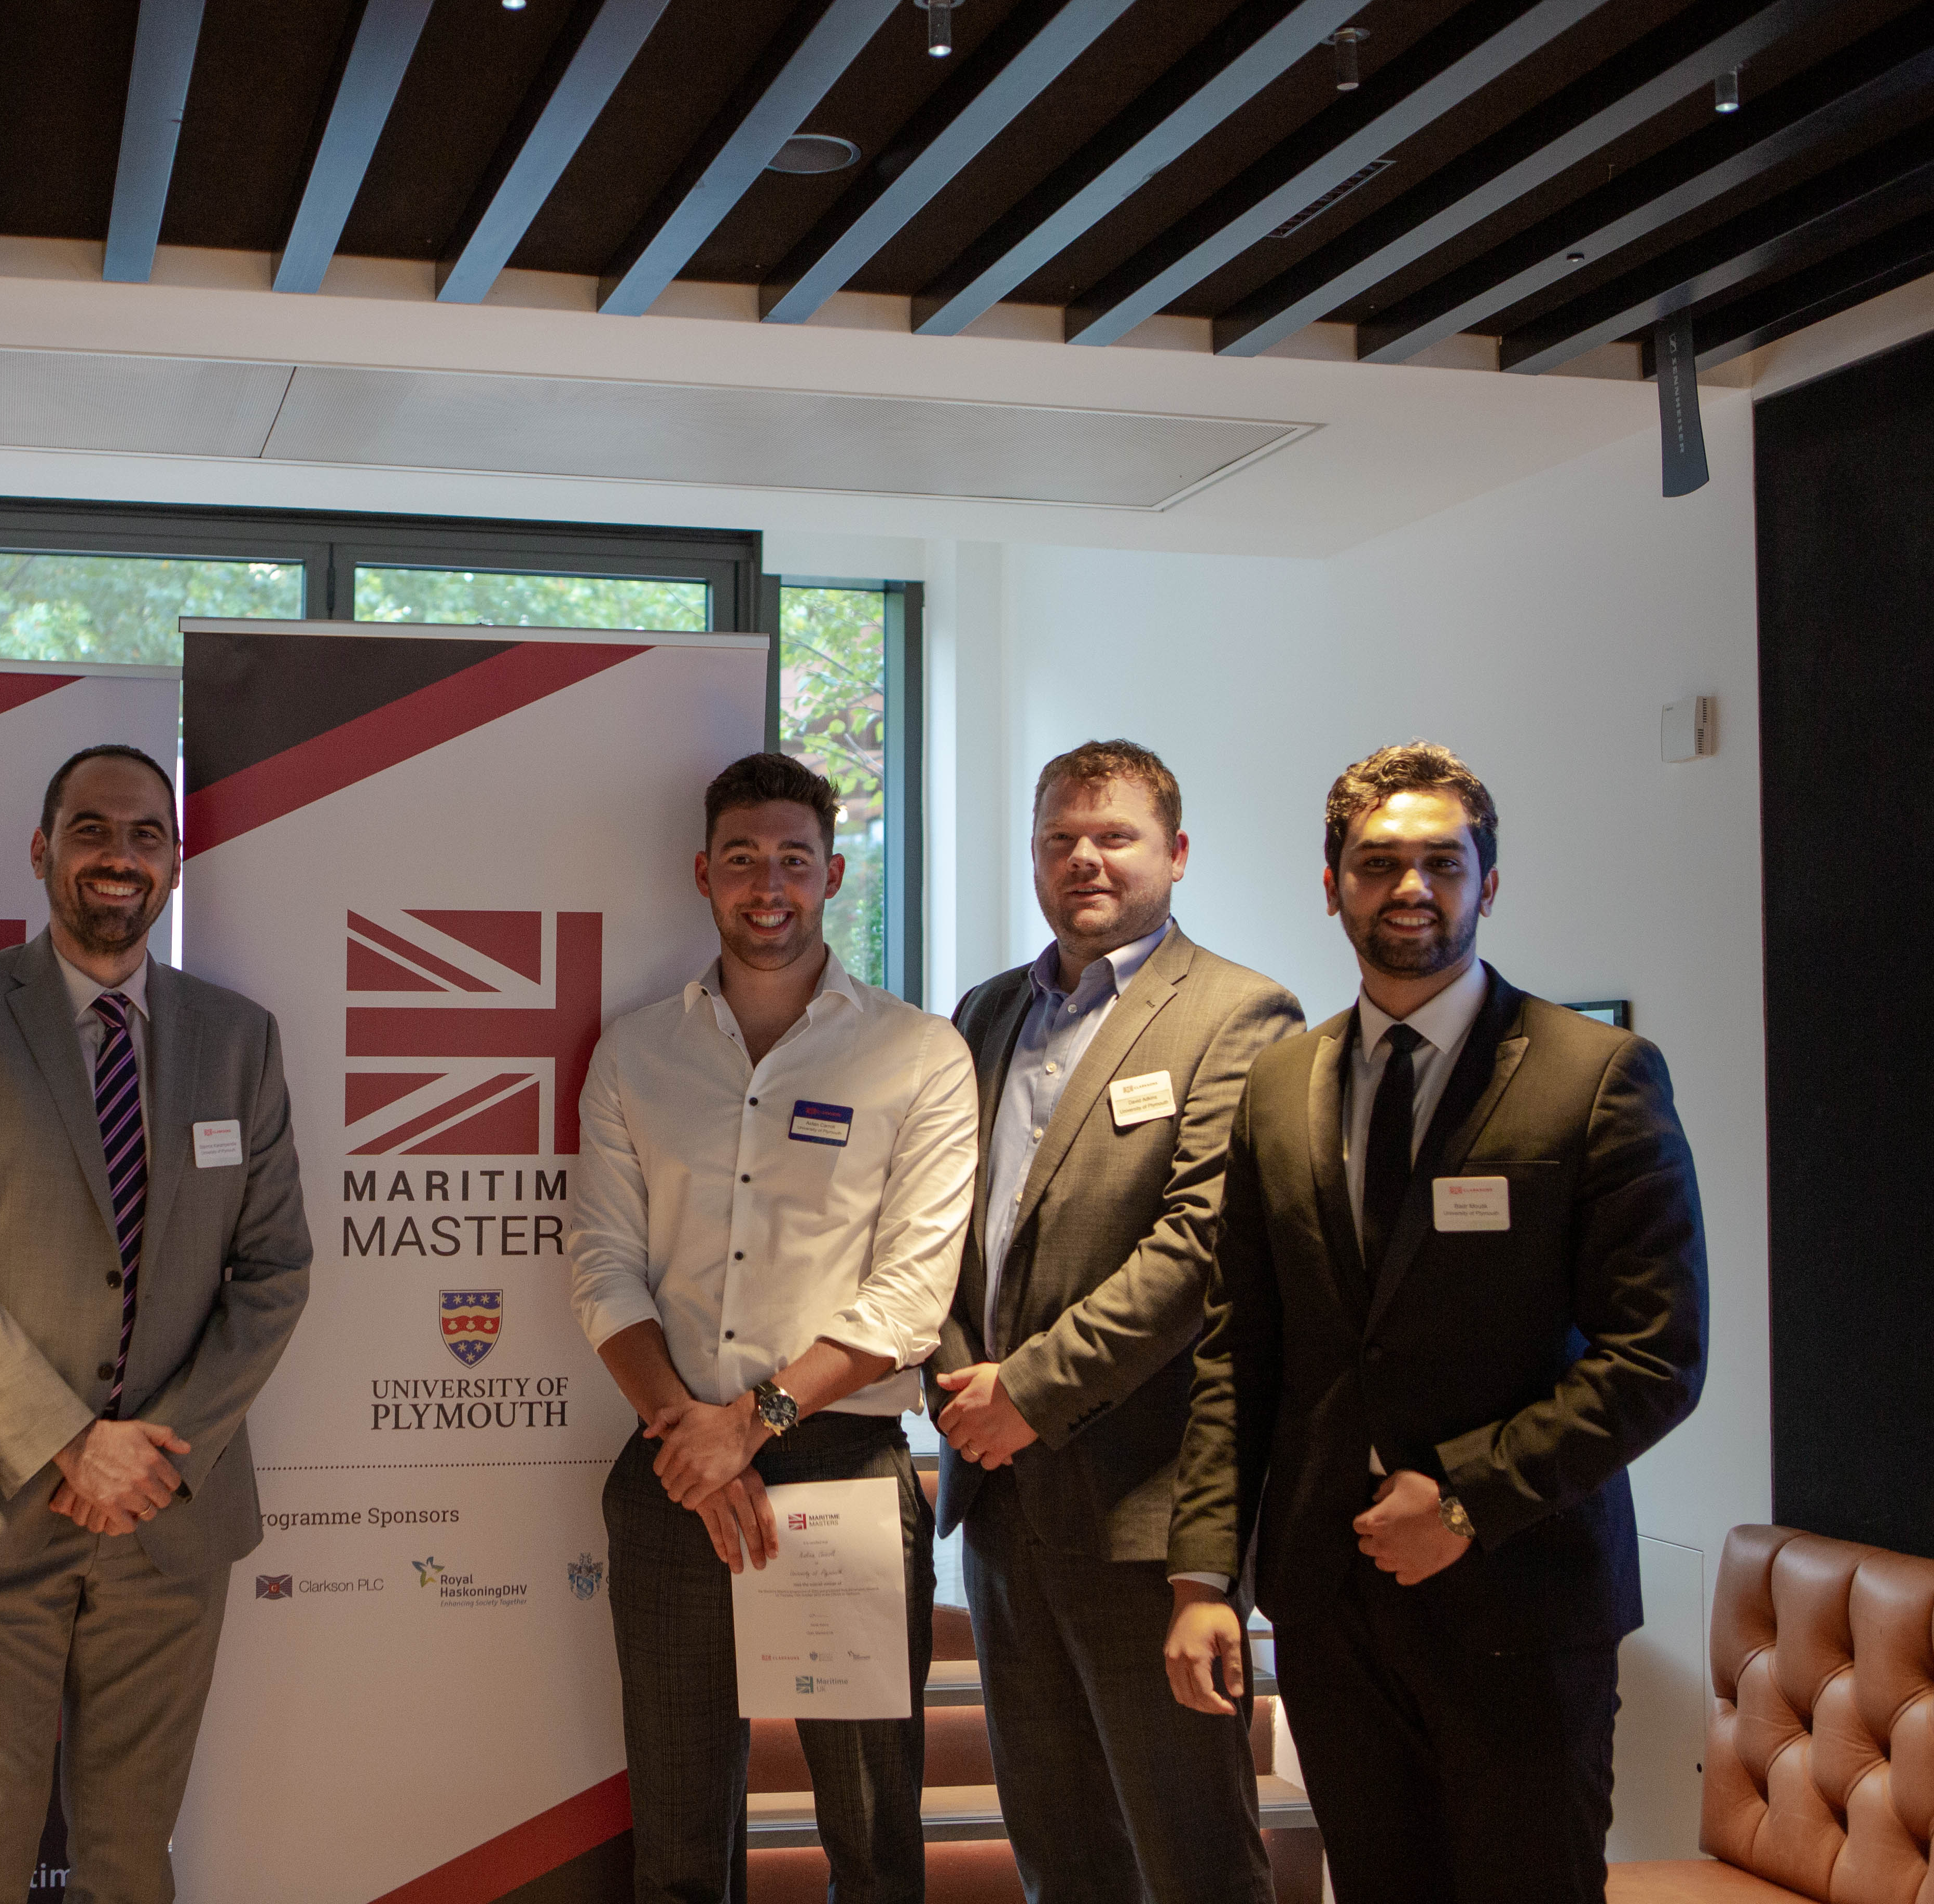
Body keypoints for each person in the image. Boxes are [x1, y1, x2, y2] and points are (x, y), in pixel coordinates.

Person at [1164, 741, 1708, 1904]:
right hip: (1328, 1605)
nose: (1410, 890)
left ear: (1488, 885)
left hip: (1523, 1599)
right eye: (1377, 864)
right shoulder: (1279, 1086)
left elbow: (1654, 1358)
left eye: (1441, 864)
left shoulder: (1595, 1076)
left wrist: (1466, 1498)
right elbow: (1236, 1352)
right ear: (1331, 886)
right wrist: (1203, 1574)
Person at [0, 743, 311, 1904]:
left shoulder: (238, 1037)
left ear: (174, 862)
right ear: (42, 850)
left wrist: (154, 1457)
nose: (119, 857)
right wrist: (73, 1444)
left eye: (144, 836)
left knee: (131, 1858)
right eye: (92, 831)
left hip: (168, 1522)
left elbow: (274, 1269)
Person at [571, 750, 978, 1904]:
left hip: (841, 1464)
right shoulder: (637, 1052)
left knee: (871, 1837)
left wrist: (748, 1425)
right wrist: (689, 1439)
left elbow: (911, 1298)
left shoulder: (919, 1054)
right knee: (683, 1839)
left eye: (794, 861)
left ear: (834, 875)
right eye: (743, 860)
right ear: (703, 873)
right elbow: (601, 1265)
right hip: (671, 1467)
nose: (768, 886)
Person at [931, 740, 1300, 1903]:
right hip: (1000, 1505)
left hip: (1145, 1518)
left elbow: (1198, 1251)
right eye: (1059, 839)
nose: (1084, 859)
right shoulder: (986, 1013)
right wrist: (961, 1392)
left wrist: (1025, 1397)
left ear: (1176, 854)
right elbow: (933, 1225)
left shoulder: (1242, 1016)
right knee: (1060, 1850)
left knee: (1191, 1854)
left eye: (1115, 836)